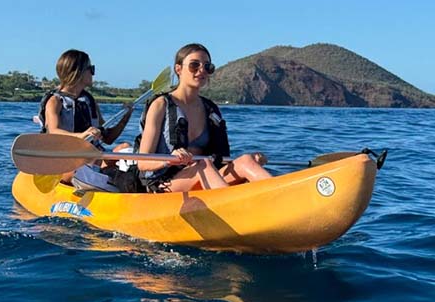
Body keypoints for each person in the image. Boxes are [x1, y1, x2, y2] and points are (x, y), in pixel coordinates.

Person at [136, 43, 272, 192]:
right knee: (203, 164)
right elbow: (142, 162)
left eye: (208, 67)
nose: (202, 71)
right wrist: (169, 159)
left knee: (246, 160)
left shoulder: (210, 108)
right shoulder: (160, 105)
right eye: (194, 65)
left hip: (204, 176)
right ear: (178, 69)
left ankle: (282, 197)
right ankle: (232, 208)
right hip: (164, 183)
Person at [39, 49, 133, 184]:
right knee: (77, 170)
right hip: (67, 162)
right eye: (91, 69)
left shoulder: (89, 101)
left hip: (92, 159)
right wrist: (82, 135)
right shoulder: (55, 101)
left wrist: (126, 117)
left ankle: (111, 181)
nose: (93, 73)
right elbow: (53, 131)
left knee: (125, 147)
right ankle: (100, 179)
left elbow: (108, 138)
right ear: (79, 72)